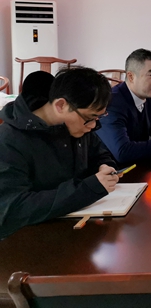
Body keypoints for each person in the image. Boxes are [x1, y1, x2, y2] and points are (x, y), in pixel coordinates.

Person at [0, 68, 119, 239]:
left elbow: (99, 154)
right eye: (90, 118)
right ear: (61, 105)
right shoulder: (9, 140)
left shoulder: (77, 126)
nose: (93, 125)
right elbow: (12, 209)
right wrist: (87, 190)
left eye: (98, 118)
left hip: (76, 231)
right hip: (28, 241)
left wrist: (104, 166)